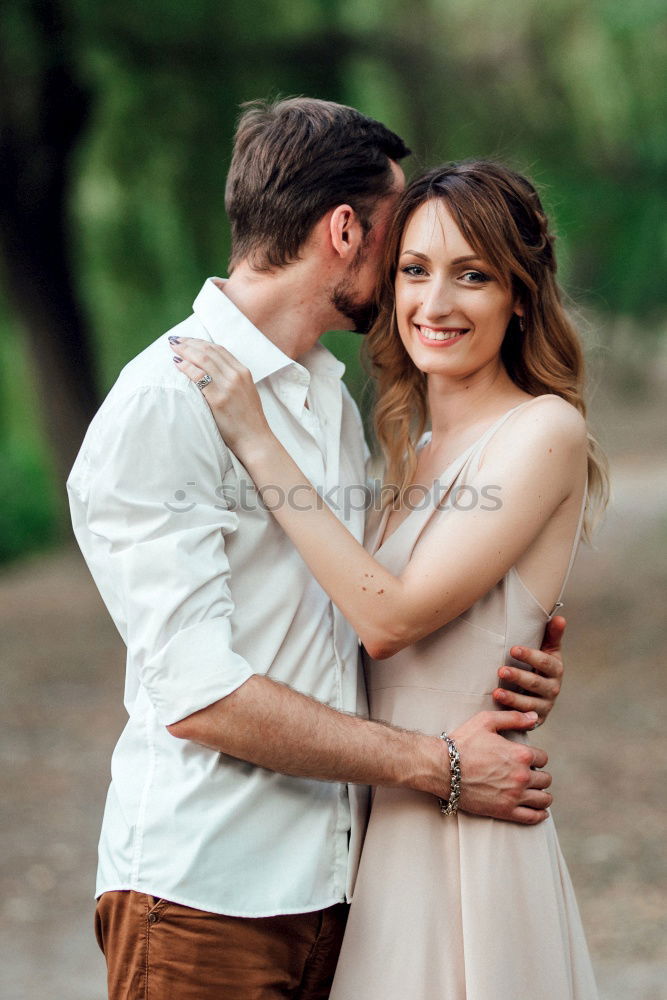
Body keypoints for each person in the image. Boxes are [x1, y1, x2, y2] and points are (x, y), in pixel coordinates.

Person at [68, 100, 565, 1000]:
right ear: (346, 229)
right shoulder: (167, 401)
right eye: (403, 251)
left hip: (339, 891)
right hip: (204, 898)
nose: (420, 289)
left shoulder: (329, 401)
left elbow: (359, 613)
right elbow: (201, 697)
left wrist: (496, 658)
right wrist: (439, 765)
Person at [170, 159, 607, 998]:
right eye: (413, 270)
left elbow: (388, 618)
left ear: (519, 296)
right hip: (384, 827)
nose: (433, 305)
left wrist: (255, 439)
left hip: (464, 834)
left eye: (471, 276)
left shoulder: (544, 429)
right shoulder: (407, 452)